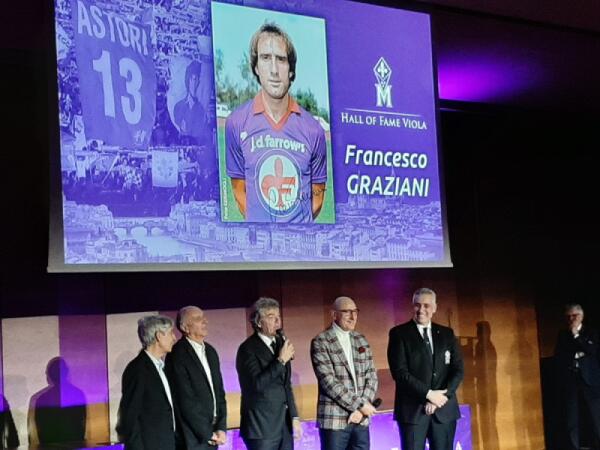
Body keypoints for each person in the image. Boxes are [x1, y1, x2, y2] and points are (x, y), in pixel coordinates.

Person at [225, 23, 327, 223]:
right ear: (256, 67)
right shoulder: (236, 123)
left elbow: (317, 198)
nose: (274, 70)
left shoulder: (314, 130)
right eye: (265, 58)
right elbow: (238, 191)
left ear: (291, 70)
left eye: (281, 59)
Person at [387, 288, 464, 450]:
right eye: (417, 305)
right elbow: (400, 373)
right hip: (413, 412)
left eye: (426, 305)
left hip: (444, 411)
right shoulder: (399, 334)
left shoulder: (447, 334)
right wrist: (429, 395)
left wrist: (441, 397)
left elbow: (458, 370)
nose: (421, 309)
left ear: (434, 308)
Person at [310, 296, 379, 450]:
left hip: (361, 420)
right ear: (334, 315)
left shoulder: (361, 339)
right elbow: (328, 382)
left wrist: (362, 409)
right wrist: (360, 405)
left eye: (355, 312)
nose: (353, 317)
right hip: (335, 421)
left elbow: (372, 376)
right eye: (347, 312)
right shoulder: (321, 341)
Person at [236, 297, 302, 450]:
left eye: (278, 316)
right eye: (271, 317)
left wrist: (294, 416)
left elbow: (286, 384)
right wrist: (280, 361)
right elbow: (256, 385)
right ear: (259, 322)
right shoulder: (247, 349)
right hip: (261, 428)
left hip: (284, 426)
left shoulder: (281, 344)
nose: (278, 321)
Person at [165, 306, 227, 449]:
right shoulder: (177, 354)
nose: (205, 321)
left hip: (214, 433)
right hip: (192, 437)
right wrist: (207, 433)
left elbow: (219, 392)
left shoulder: (211, 351)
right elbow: (185, 399)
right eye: (198, 319)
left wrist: (221, 428)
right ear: (185, 327)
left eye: (204, 317)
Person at [117, 315, 178, 450]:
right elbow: (130, 417)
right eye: (170, 333)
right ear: (159, 336)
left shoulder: (161, 367)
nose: (174, 338)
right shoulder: (137, 369)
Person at [554, 303, 600, 450]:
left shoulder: (591, 332)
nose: (571, 319)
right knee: (571, 418)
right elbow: (560, 355)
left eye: (574, 315)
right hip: (571, 378)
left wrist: (576, 335)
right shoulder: (562, 334)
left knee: (595, 415)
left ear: (582, 316)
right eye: (568, 316)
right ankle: (573, 447)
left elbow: (591, 350)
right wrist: (578, 353)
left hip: (589, 379)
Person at [173, 60, 209, 145]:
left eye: (197, 80)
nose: (195, 83)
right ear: (188, 80)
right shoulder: (178, 106)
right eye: (193, 79)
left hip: (196, 144)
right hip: (180, 144)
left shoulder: (201, 109)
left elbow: (198, 131)